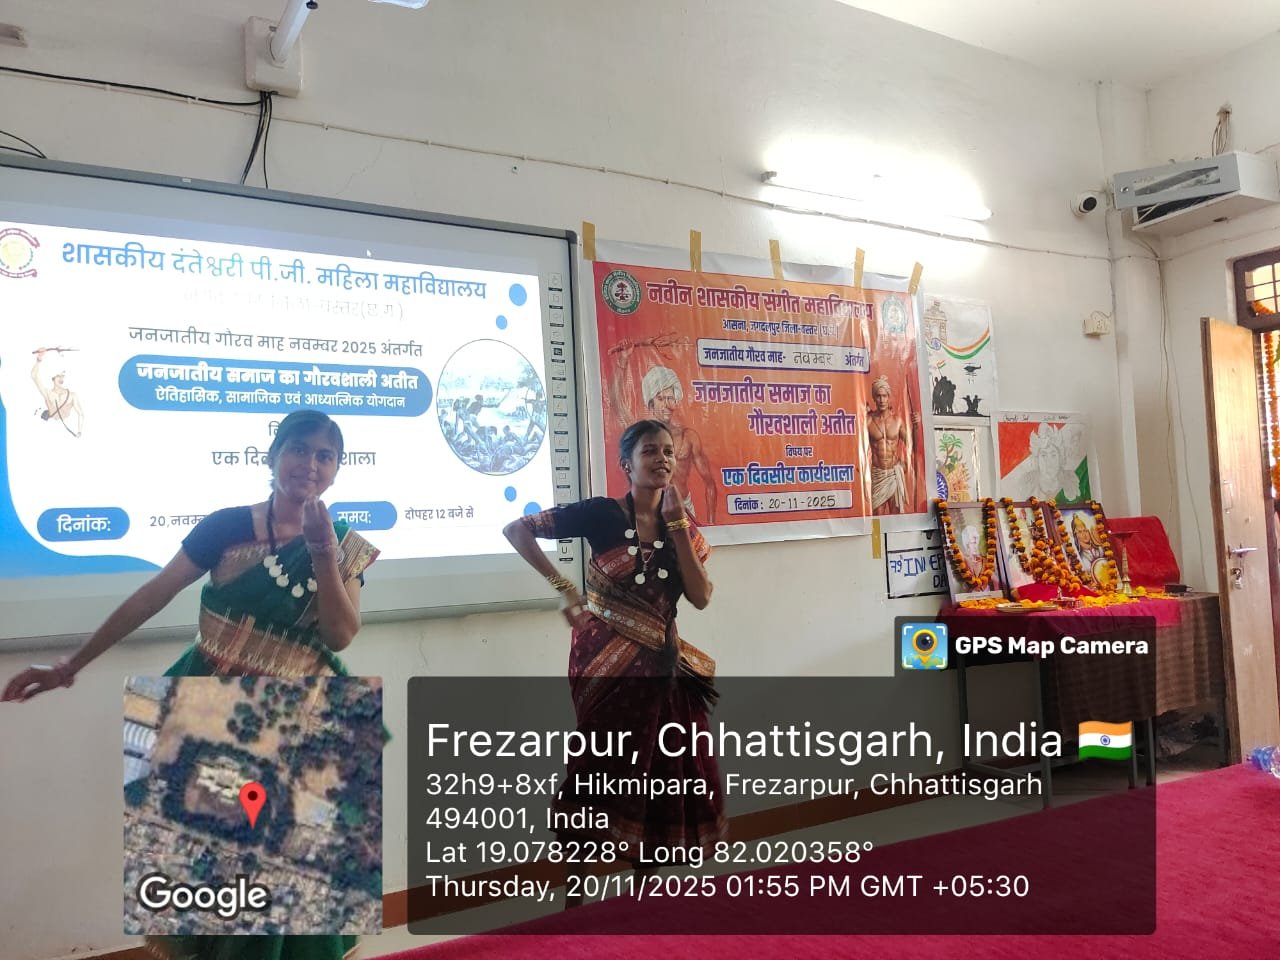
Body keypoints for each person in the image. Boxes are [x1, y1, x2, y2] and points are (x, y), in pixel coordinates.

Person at [3, 409, 380, 960]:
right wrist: (69, 666)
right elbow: (153, 595)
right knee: (220, 863)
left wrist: (323, 552)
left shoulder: (344, 544)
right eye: (299, 449)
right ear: (273, 456)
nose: (310, 464)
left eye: (326, 456)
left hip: (303, 717)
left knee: (294, 864)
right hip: (215, 711)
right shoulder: (225, 528)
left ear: (337, 470)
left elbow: (340, 635)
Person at [502, 419, 725, 905]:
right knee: (597, 769)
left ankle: (643, 896)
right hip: (605, 663)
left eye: (668, 451)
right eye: (650, 450)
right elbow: (517, 529)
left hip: (664, 668)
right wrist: (564, 588)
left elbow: (701, 596)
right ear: (626, 463)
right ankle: (576, 899)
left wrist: (678, 524)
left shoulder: (681, 523)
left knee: (663, 771)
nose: (662, 458)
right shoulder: (601, 514)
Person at [609, 341, 718, 523]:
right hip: (649, 510)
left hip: (684, 509)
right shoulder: (640, 434)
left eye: (670, 398)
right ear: (651, 402)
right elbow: (617, 403)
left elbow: (710, 482)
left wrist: (712, 525)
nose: (667, 404)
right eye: (661, 398)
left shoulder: (688, 436)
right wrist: (622, 363)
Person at [867, 375, 913, 515]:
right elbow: (860, 448)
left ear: (889, 397)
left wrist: (916, 426)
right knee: (878, 517)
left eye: (884, 396)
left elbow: (911, 444)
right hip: (877, 474)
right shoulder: (868, 421)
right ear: (874, 398)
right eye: (878, 396)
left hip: (894, 473)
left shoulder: (897, 421)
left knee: (896, 515)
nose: (882, 400)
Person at [31, 347, 85, 437]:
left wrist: (79, 431)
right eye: (58, 376)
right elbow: (34, 376)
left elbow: (81, 414)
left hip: (67, 431)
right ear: (53, 378)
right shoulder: (48, 393)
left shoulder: (72, 395)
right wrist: (39, 358)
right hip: (49, 431)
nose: (61, 379)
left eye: (62, 376)